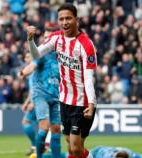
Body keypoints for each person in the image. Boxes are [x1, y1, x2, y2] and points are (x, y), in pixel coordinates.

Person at [26, 3, 96, 158]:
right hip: (64, 100)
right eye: (61, 19)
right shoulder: (56, 38)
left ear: (76, 19)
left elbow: (89, 77)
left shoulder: (86, 44)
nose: (64, 22)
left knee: (76, 148)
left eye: (68, 18)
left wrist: (91, 103)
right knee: (71, 148)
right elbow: (37, 55)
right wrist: (30, 41)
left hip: (82, 102)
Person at [19, 24, 62, 158]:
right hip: (41, 95)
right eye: (44, 37)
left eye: (48, 37)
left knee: (56, 130)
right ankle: (38, 156)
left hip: (55, 97)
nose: (45, 40)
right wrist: (23, 72)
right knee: (44, 127)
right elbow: (32, 65)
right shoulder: (42, 55)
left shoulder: (61, 57)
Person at [20, 53, 37, 156]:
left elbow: (39, 87)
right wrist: (26, 102)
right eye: (25, 57)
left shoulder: (35, 71)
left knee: (26, 122)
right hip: (35, 99)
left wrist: (33, 103)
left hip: (39, 100)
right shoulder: (30, 73)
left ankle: (36, 146)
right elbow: (32, 90)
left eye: (27, 57)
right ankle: (35, 146)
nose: (25, 59)